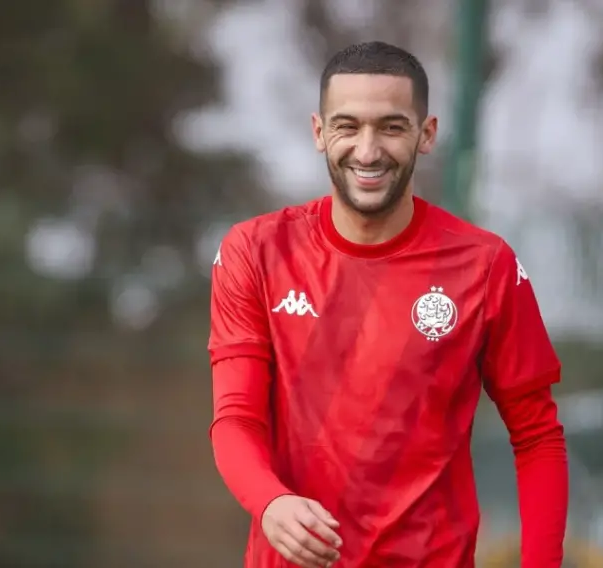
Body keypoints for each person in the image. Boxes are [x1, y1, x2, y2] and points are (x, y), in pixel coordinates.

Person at [207, 41, 568, 568]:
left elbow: (537, 437)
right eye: (348, 126)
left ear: (427, 134)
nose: (368, 150)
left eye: (392, 127)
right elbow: (235, 419)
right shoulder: (256, 252)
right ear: (318, 132)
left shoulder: (485, 265)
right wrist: (271, 502)